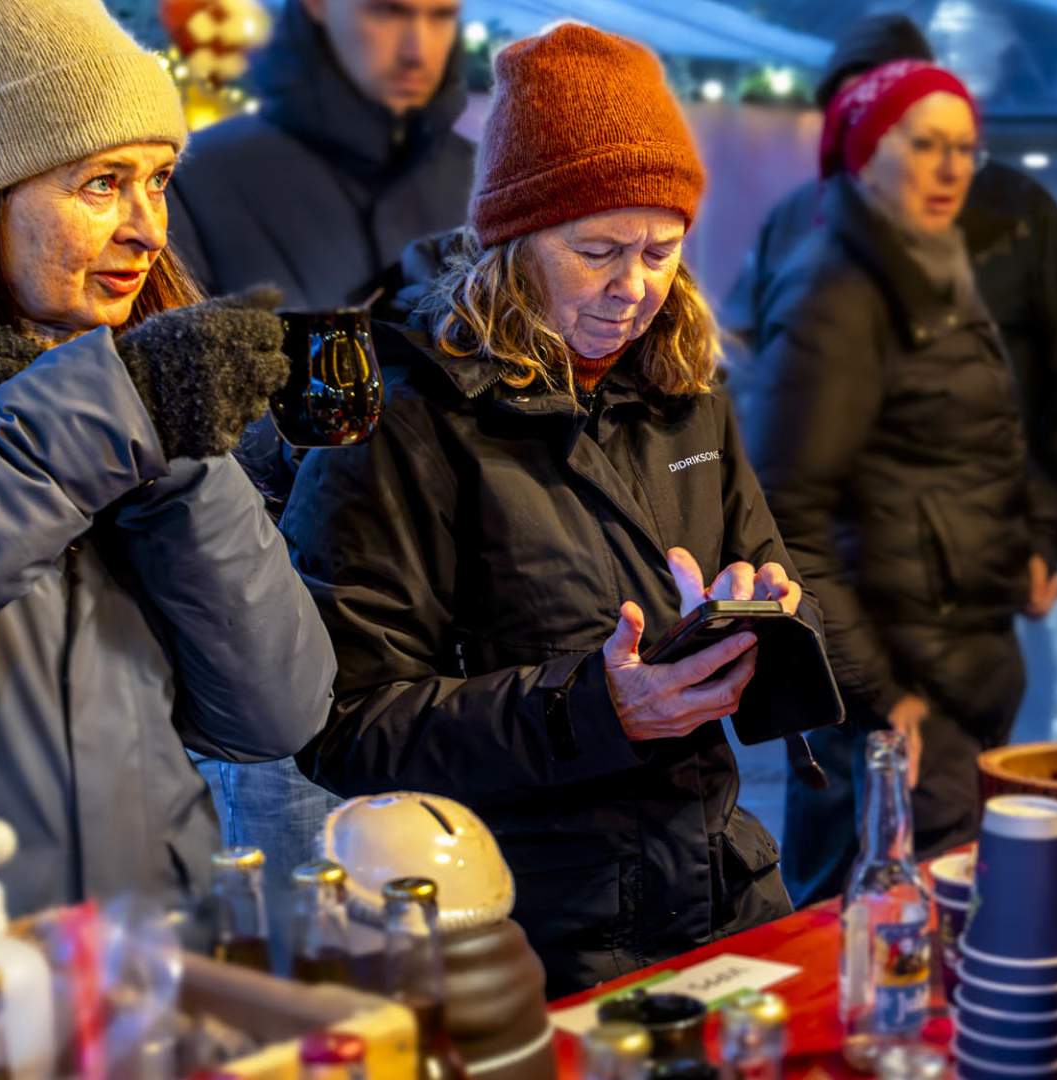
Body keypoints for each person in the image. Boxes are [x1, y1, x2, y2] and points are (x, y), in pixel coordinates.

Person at [0, 0, 335, 951]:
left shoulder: (127, 373)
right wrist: (108, 415)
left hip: (144, 966)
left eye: (159, 182)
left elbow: (276, 707)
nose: (148, 230)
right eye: (102, 185)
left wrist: (174, 456)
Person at [283, 24, 809, 996]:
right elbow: (344, 726)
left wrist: (766, 617)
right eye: (598, 249)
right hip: (527, 941)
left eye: (662, 249)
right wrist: (594, 711)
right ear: (515, 243)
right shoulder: (409, 420)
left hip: (723, 896)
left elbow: (769, 572)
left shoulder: (685, 385)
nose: (635, 288)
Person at [165, 0, 473, 921]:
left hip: (466, 651)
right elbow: (167, 413)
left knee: (468, 956)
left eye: (442, 14)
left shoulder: (476, 176)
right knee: (307, 967)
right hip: (279, 647)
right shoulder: (211, 177)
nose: (416, 43)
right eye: (385, 13)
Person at [744, 61, 1057, 905]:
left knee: (929, 925)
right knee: (880, 932)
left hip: (955, 671)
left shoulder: (934, 272)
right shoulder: (838, 294)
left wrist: (1024, 546)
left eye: (964, 148)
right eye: (925, 146)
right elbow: (787, 517)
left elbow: (962, 452)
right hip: (897, 698)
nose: (952, 168)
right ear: (864, 155)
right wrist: (882, 697)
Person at [725, 14, 1057, 566]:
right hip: (830, 554)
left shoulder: (1019, 215)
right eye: (848, 111)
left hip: (978, 550)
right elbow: (738, 358)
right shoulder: (795, 220)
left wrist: (1048, 531)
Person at [167, 0, 472, 309]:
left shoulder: (482, 180)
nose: (416, 53)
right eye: (386, 11)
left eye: (442, 16)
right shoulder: (195, 180)